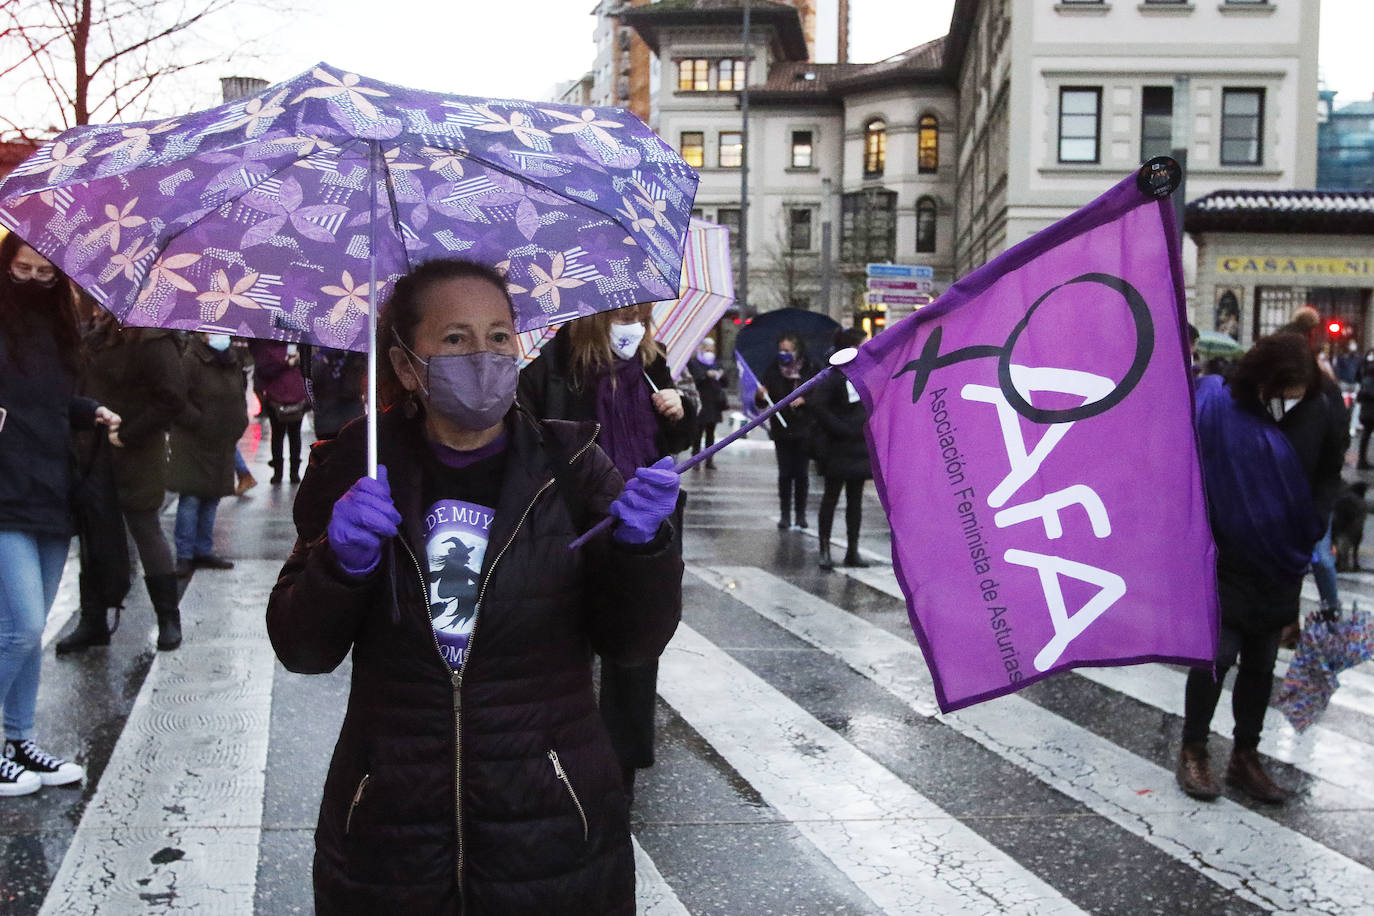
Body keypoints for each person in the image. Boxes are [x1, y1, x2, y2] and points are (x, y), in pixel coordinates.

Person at [267, 258, 683, 914]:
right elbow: (302, 647)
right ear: (406, 366)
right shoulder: (353, 467)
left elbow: (634, 641)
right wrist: (338, 563)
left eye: (498, 336)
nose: (483, 354)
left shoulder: (573, 466)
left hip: (552, 824)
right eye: (455, 339)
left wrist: (643, 550)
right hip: (389, 830)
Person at [518, 303, 694, 802]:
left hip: (640, 523)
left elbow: (673, 441)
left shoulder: (651, 364)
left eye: (641, 313)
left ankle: (623, 767)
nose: (633, 324)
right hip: (577, 518)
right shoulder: (557, 363)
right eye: (623, 313)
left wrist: (680, 410)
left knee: (635, 647)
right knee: (564, 642)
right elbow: (530, 431)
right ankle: (554, 756)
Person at [1178, 332, 1346, 804]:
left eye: (1297, 392)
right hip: (1227, 555)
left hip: (1281, 557)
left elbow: (1329, 469)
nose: (1288, 401)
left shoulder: (1322, 405)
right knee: (1216, 656)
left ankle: (1245, 755)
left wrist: (1311, 523)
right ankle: (1194, 748)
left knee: (1261, 663)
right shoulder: (1225, 404)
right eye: (1282, 390)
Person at [0, 235, 120, 794]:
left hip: (50, 488)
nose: (31, 281)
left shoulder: (57, 331)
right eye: (21, 270)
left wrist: (90, 410)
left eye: (44, 274)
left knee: (34, 627)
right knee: (20, 627)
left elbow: (46, 403)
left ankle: (19, 740)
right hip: (3, 492)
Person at [72, 310, 188, 652]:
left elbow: (173, 397)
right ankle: (92, 620)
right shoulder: (96, 332)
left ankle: (168, 618)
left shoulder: (152, 338)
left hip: (136, 451)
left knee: (144, 527)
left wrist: (128, 434)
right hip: (92, 452)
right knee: (92, 533)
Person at [168, 333, 250, 576]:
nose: (220, 336)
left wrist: (239, 423)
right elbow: (176, 399)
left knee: (212, 496)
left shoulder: (232, 360)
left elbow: (239, 395)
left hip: (221, 441)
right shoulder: (190, 360)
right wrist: (198, 421)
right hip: (193, 442)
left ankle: (203, 549)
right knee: (192, 498)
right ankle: (184, 554)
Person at [810, 327, 872, 569]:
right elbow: (818, 406)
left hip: (858, 445)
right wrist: (841, 428)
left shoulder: (864, 372)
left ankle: (852, 550)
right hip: (837, 447)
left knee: (855, 500)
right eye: (863, 344)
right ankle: (824, 549)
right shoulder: (833, 375)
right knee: (831, 497)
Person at [755, 333, 820, 530]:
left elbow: (820, 395)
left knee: (801, 473)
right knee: (785, 473)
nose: (783, 354)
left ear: (797, 350)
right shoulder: (773, 370)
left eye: (788, 350)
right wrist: (761, 395)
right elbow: (762, 400)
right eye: (781, 350)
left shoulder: (811, 368)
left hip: (804, 428)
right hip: (781, 428)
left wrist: (804, 401)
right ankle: (785, 514)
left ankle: (800, 514)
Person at [249, 339, 309, 484]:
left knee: (285, 436)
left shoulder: (270, 346)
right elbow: (264, 370)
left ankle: (287, 472)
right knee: (284, 435)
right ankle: (284, 471)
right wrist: (288, 363)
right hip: (281, 398)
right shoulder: (273, 346)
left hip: (287, 396)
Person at [307, 345, 367, 440]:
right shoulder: (319, 357)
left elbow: (355, 387)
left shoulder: (357, 356)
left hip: (352, 417)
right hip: (326, 420)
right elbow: (311, 380)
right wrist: (325, 359)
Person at [686, 337, 728, 469]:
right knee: (697, 432)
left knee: (711, 433)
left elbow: (725, 383)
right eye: (706, 349)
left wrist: (720, 375)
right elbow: (694, 379)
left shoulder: (717, 364)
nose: (709, 352)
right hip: (700, 402)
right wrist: (705, 375)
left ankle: (709, 459)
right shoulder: (694, 363)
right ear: (701, 349)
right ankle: (695, 459)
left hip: (714, 404)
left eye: (711, 349)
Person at [1356, 349, 1374, 470]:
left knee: (1365, 435)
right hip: (1370, 412)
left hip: (1367, 412)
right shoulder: (1369, 382)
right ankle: (1362, 461)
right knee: (1366, 435)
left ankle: (1362, 461)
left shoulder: (1365, 380)